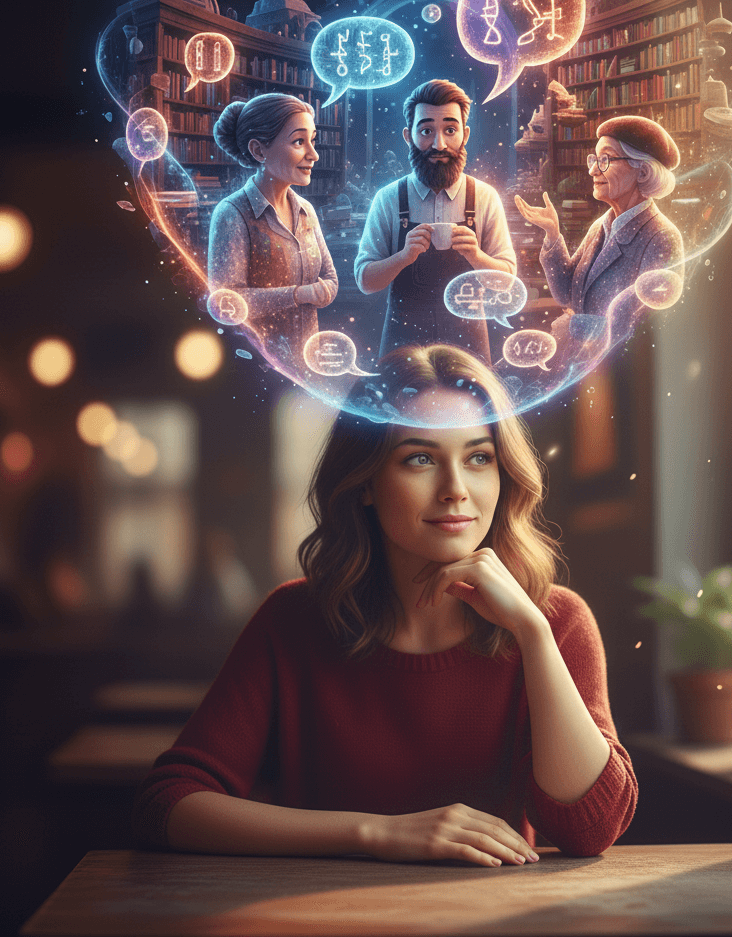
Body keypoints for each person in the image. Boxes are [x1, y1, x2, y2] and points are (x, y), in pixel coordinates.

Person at [132, 345, 638, 862]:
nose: (455, 490)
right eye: (420, 458)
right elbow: (167, 805)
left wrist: (533, 634)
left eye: (479, 458)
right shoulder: (292, 621)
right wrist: (379, 834)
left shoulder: (555, 621)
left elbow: (588, 832)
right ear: (366, 481)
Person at [354, 80, 517, 363]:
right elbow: (365, 281)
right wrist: (403, 257)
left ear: (465, 135)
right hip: (403, 347)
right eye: (427, 131)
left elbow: (507, 282)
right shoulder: (389, 198)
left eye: (450, 130)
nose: (439, 144)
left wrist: (476, 256)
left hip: (470, 350)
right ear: (409, 136)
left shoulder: (485, 197)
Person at [515, 115, 683, 348]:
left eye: (606, 159)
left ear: (642, 172)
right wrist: (553, 234)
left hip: (623, 374)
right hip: (582, 364)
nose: (593, 170)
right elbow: (565, 294)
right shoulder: (600, 227)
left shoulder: (662, 237)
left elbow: (648, 329)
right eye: (594, 159)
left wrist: (576, 326)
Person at [209, 92, 338, 360]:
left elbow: (331, 279)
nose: (313, 155)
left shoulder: (306, 211)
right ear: (259, 150)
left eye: (312, 141)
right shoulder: (232, 214)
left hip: (308, 362)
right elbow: (225, 303)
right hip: (256, 366)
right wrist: (299, 294)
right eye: (299, 141)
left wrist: (320, 292)